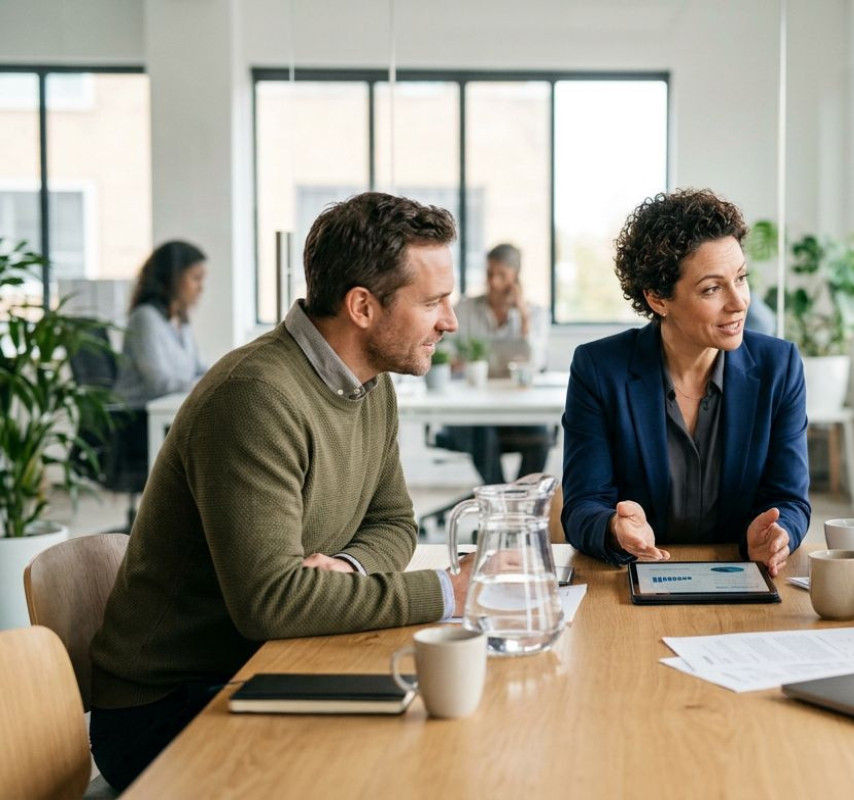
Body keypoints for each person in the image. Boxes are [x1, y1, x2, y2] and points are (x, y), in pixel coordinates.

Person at [88, 192, 474, 792]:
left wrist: (346, 569)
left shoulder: (370, 386)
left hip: (266, 664)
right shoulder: (254, 397)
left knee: (449, 732)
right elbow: (272, 603)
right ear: (362, 307)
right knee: (410, 763)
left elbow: (395, 522)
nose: (450, 321)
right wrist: (450, 591)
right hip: (167, 708)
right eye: (432, 302)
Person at [562, 188, 810, 574]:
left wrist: (779, 534)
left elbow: (790, 499)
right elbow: (582, 505)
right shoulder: (599, 369)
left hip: (739, 575)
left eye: (741, 278)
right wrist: (614, 529)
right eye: (712, 288)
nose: (739, 302)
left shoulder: (779, 367)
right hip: (634, 578)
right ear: (658, 299)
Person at [441, 243, 553, 484]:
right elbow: (444, 352)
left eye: (501, 275)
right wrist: (456, 361)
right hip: (474, 412)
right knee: (483, 433)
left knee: (542, 436)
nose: (492, 282)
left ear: (516, 277)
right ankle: (500, 498)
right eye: (489, 273)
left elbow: (537, 363)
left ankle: (519, 498)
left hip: (516, 411)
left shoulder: (535, 314)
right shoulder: (465, 309)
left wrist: (523, 317)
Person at [114, 240, 208, 407]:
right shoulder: (145, 317)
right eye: (196, 278)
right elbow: (159, 384)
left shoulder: (181, 320)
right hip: (139, 415)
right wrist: (203, 384)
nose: (201, 287)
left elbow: (198, 369)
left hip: (167, 410)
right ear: (172, 279)